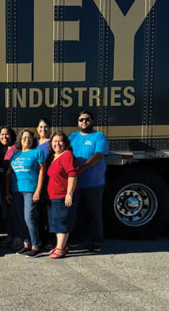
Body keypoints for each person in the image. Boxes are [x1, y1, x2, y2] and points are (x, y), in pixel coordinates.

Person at [68, 111, 110, 252]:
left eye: (87, 119)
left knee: (94, 213)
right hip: (75, 183)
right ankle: (77, 238)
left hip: (94, 183)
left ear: (92, 121)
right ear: (78, 122)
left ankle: (96, 241)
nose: (84, 122)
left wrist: (83, 167)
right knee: (76, 213)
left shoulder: (98, 136)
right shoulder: (73, 137)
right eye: (81, 119)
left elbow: (98, 155)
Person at [6, 129, 46, 257]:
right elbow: (9, 173)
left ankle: (35, 245)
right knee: (20, 218)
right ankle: (26, 244)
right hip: (16, 190)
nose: (27, 140)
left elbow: (42, 172)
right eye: (24, 138)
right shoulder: (15, 155)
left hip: (30, 190)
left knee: (29, 218)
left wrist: (38, 190)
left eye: (29, 138)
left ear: (33, 140)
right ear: (20, 140)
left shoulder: (37, 152)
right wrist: (7, 191)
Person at [46, 131, 79, 259]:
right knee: (56, 222)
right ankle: (62, 246)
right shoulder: (52, 157)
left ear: (65, 143)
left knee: (62, 222)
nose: (57, 144)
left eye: (60, 141)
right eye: (55, 141)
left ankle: (60, 248)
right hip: (53, 196)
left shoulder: (67, 155)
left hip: (62, 195)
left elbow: (72, 175)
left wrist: (69, 194)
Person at [0, 125, 16, 247]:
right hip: (0, 186)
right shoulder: (0, 150)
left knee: (12, 213)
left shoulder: (14, 149)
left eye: (7, 134)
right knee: (5, 214)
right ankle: (10, 235)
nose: (4, 136)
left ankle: (15, 237)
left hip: (11, 186)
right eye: (2, 134)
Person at [35, 118, 53, 246]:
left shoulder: (52, 143)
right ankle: (40, 237)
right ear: (37, 129)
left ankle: (48, 239)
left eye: (46, 127)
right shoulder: (34, 143)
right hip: (35, 180)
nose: (43, 129)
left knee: (47, 211)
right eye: (41, 127)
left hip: (48, 180)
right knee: (38, 211)